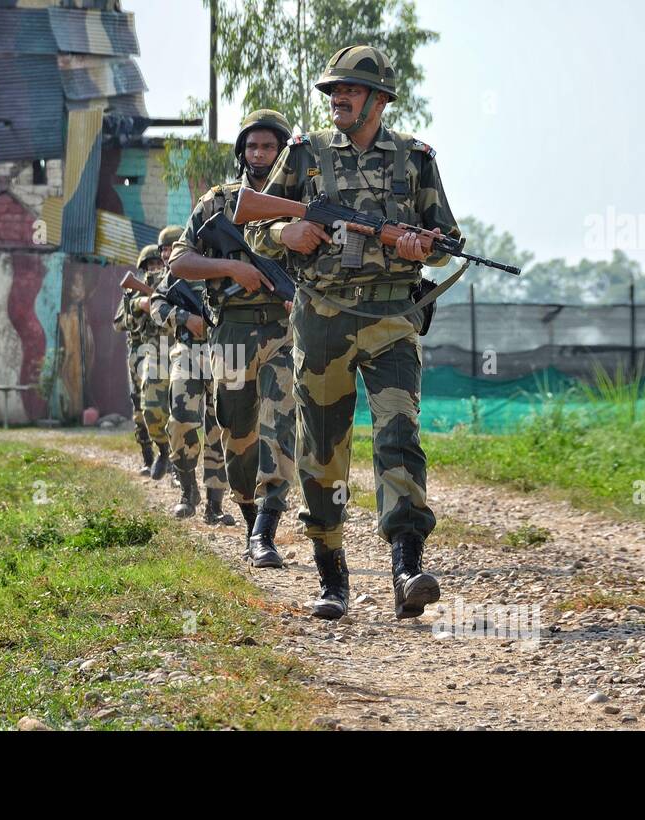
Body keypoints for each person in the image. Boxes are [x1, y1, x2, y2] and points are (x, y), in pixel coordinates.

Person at [245, 45, 461, 621]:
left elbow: (444, 242)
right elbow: (256, 227)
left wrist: (422, 247)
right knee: (322, 446)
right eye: (333, 90)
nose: (338, 97)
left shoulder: (415, 159)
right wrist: (286, 235)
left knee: (399, 438)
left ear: (380, 99)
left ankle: (407, 565)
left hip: (392, 318)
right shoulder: (306, 153)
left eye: (351, 89)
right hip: (322, 318)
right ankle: (331, 573)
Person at [168, 109, 296, 567]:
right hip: (234, 332)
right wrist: (232, 268)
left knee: (280, 428)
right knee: (237, 432)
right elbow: (179, 263)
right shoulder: (216, 203)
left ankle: (267, 529)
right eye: (252, 146)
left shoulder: (300, 202)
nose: (259, 154)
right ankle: (249, 518)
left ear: (283, 151)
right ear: (242, 151)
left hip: (285, 331)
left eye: (269, 146)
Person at [149, 225, 232, 525]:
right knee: (182, 420)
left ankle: (215, 503)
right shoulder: (182, 269)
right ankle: (188, 491)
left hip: (226, 351)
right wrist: (184, 318)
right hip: (187, 351)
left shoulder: (227, 262)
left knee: (221, 426)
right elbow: (156, 304)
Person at [115, 243, 172, 479]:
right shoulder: (135, 291)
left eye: (158, 264)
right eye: (151, 265)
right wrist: (139, 305)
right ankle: (149, 457)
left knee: (171, 411)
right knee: (141, 410)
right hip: (140, 354)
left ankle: (172, 461)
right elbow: (118, 322)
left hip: (169, 352)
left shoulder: (171, 283)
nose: (156, 268)